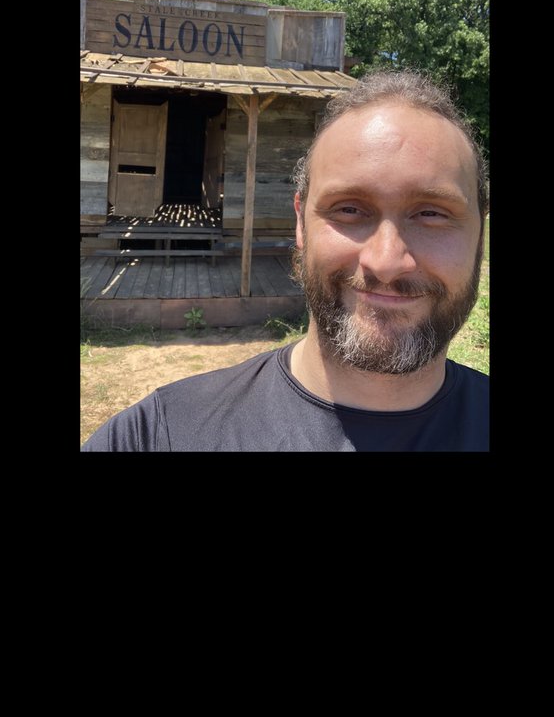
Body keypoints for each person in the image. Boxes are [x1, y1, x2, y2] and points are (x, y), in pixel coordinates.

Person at [81, 69, 489, 452]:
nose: (385, 262)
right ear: (301, 222)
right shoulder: (163, 435)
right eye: (349, 209)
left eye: (431, 213)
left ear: (481, 233)